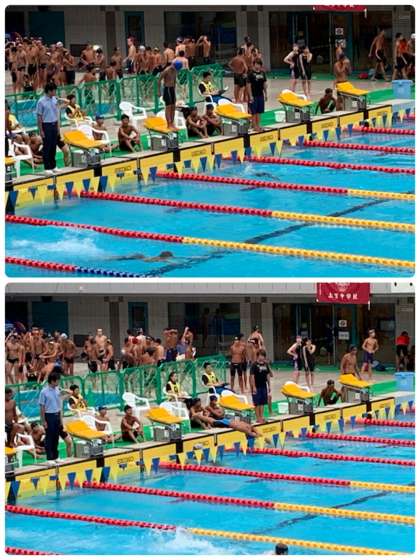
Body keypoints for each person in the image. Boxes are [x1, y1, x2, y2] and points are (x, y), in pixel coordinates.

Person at [36, 82, 70, 174]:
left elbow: (67, 102)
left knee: (53, 147)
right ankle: (47, 167)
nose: (55, 92)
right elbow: (39, 117)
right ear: (49, 91)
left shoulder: (54, 99)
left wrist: (59, 98)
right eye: (54, 91)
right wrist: (41, 130)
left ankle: (53, 166)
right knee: (47, 147)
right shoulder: (41, 102)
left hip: (54, 124)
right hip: (46, 125)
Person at [38, 372, 70, 464]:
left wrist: (60, 420)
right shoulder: (44, 392)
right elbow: (42, 407)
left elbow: (64, 399)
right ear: (52, 381)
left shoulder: (58, 389)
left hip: (57, 415)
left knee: (56, 437)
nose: (59, 382)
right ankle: (49, 458)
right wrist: (43, 421)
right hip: (49, 415)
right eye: (57, 381)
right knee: (50, 437)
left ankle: (56, 456)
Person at [158, 60, 182, 131]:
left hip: (172, 90)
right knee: (168, 107)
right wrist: (159, 91)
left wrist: (174, 92)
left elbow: (174, 81)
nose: (176, 70)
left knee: (173, 107)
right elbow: (159, 80)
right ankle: (169, 124)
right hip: (167, 89)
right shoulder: (167, 70)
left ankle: (172, 123)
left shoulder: (175, 71)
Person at [250, 350, 272, 423]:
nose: (262, 357)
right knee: (257, 403)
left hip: (263, 386)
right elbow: (252, 376)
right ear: (257, 356)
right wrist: (253, 387)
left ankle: (261, 417)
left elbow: (268, 375)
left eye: (263, 356)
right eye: (260, 355)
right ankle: (258, 418)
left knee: (262, 402)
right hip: (256, 386)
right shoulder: (254, 365)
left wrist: (269, 385)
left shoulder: (265, 364)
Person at [247, 58, 267, 132]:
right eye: (256, 64)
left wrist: (266, 94)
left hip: (260, 95)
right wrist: (250, 96)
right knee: (253, 112)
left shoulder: (262, 73)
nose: (257, 66)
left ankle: (258, 125)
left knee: (259, 112)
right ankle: (255, 126)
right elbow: (248, 85)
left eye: (259, 64)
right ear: (254, 64)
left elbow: (264, 84)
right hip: (253, 95)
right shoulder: (251, 74)